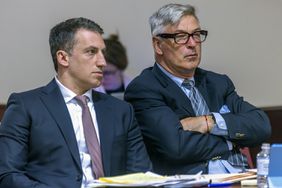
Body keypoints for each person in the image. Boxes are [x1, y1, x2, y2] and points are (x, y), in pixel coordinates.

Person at [0, 17, 151, 188]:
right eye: (91, 52)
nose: (102, 62)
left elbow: (141, 174)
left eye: (103, 53)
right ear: (63, 58)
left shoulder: (121, 110)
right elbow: (8, 175)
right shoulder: (27, 106)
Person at [124, 3, 271, 175]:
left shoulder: (217, 83)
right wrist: (231, 140)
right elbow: (176, 147)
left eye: (196, 34)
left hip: (242, 177)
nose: (193, 43)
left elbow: (261, 125)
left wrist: (208, 122)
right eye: (181, 36)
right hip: (193, 182)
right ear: (158, 45)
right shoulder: (144, 89)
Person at [95, 34, 131, 100]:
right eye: (99, 72)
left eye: (107, 73)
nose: (102, 79)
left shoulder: (137, 89)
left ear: (121, 68)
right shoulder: (87, 92)